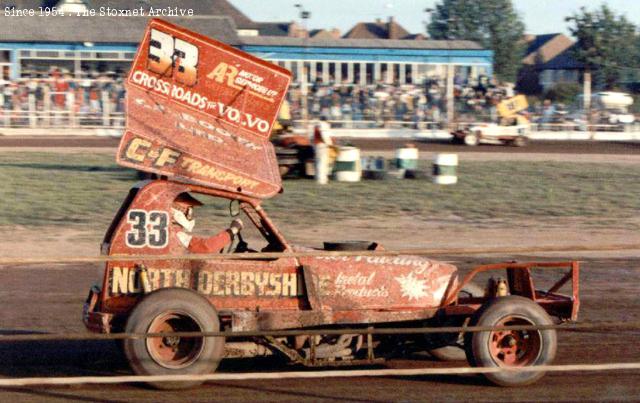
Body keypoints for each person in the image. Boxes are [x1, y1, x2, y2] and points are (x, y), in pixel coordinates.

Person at [171, 193, 243, 253]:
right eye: (188, 209)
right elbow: (206, 247)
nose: (190, 214)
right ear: (178, 210)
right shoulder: (174, 234)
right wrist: (233, 230)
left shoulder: (169, 230)